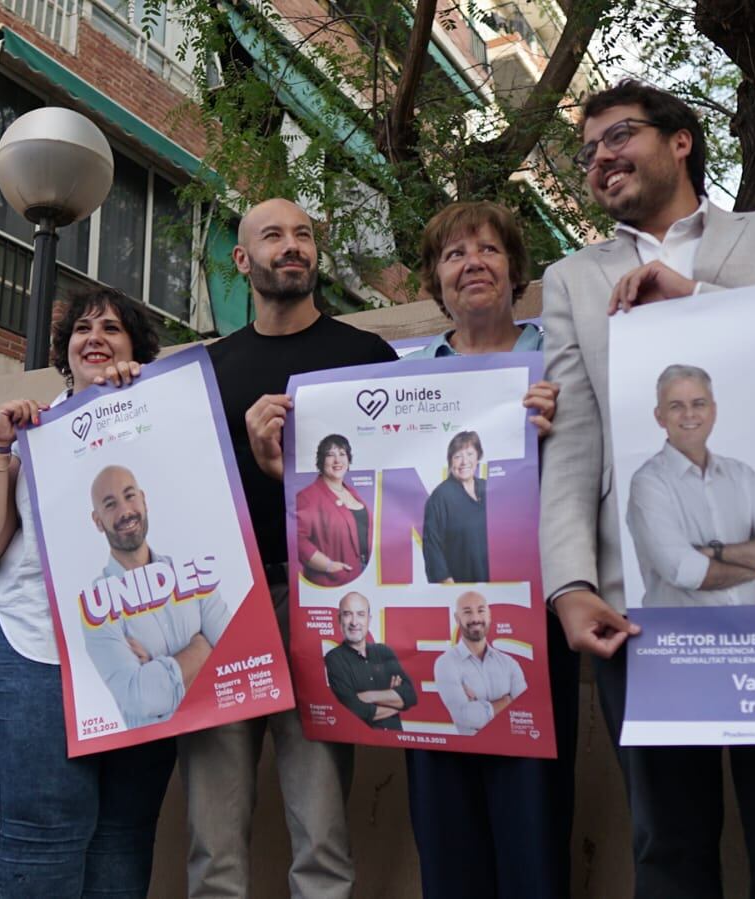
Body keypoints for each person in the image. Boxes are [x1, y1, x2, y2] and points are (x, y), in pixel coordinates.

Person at [539, 80, 755, 897]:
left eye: (618, 135)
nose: (600, 157)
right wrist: (568, 584)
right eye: (588, 149)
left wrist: (698, 302)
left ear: (680, 141)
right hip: (634, 605)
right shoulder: (570, 279)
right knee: (665, 843)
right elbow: (573, 444)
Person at [190, 197, 398, 899]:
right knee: (212, 836)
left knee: (322, 831)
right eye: (272, 235)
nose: (292, 246)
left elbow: (396, 494)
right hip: (225, 606)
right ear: (241, 260)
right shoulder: (204, 372)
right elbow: (184, 495)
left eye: (304, 234)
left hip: (325, 604)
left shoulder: (365, 358)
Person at [0, 288, 176, 897]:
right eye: (82, 328)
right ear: (64, 350)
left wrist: (139, 399)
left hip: (147, 648)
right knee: (41, 830)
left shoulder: (166, 415)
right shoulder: (30, 429)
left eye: (112, 329)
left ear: (137, 349)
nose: (95, 336)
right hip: (37, 651)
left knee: (125, 830)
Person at [402, 199, 576, 899]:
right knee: (444, 831)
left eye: (487, 250)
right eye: (453, 253)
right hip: (424, 621)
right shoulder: (403, 377)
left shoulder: (559, 357)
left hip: (537, 614)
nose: (471, 263)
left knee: (532, 819)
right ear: (435, 281)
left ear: (514, 270)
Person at [626, 364, 755, 608]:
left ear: (713, 411)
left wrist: (717, 553)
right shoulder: (648, 483)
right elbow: (686, 571)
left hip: (754, 636)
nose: (689, 414)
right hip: (681, 640)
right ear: (659, 417)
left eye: (698, 404)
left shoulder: (741, 476)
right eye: (676, 406)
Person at [86, 465, 232, 728]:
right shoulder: (97, 605)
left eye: (130, 496)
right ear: (98, 521)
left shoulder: (190, 573)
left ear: (143, 499)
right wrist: (201, 650)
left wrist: (156, 669)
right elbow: (142, 700)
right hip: (147, 753)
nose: (125, 512)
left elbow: (234, 654)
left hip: (215, 725)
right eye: (110, 504)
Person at [432, 591, 526, 735]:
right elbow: (466, 718)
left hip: (511, 749)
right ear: (457, 618)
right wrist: (507, 701)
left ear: (489, 615)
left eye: (481, 611)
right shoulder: (446, 663)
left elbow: (525, 712)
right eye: (467, 612)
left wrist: (479, 707)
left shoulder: (509, 663)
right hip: (466, 753)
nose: (475, 618)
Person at [322, 592, 416, 729]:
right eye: (348, 614)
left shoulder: (384, 651)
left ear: (369, 619)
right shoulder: (334, 658)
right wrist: (395, 701)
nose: (354, 622)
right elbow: (358, 710)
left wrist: (369, 696)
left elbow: (410, 696)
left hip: (395, 737)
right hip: (362, 743)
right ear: (339, 619)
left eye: (360, 614)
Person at [295, 435, 371, 586]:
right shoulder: (307, 497)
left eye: (342, 454)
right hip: (334, 582)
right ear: (321, 460)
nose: (337, 461)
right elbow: (298, 540)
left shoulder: (351, 492)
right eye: (330, 455)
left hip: (363, 575)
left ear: (349, 460)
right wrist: (328, 566)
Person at [422, 431, 489, 584]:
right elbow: (432, 548)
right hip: (461, 590)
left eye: (470, 454)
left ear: (478, 457)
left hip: (497, 583)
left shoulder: (489, 489)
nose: (464, 461)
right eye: (458, 456)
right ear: (450, 461)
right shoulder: (440, 497)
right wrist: (449, 589)